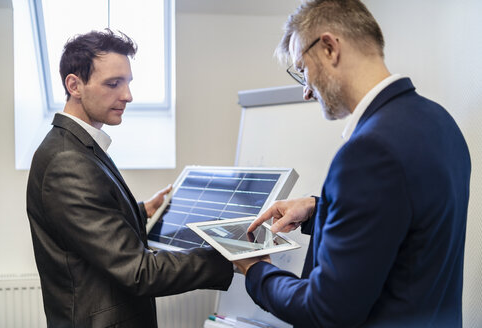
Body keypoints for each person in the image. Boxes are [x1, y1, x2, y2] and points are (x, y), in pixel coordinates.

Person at [233, 1, 471, 327]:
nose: (305, 91)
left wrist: (256, 269)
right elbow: (407, 233)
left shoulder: (368, 152)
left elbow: (325, 310)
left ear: (330, 48)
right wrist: (320, 208)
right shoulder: (442, 123)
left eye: (303, 70)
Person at [26, 29, 233, 327]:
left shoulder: (73, 146)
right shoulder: (67, 160)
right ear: (75, 85)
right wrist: (229, 260)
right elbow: (139, 272)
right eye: (113, 84)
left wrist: (142, 210)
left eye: (127, 82)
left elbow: (87, 223)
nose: (127, 95)